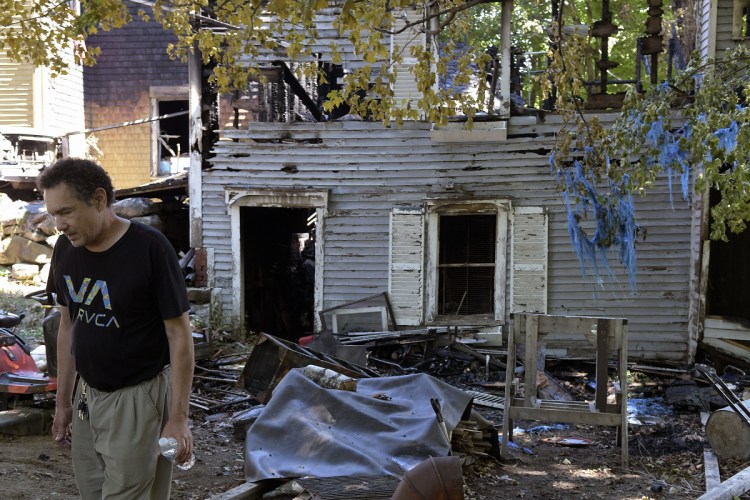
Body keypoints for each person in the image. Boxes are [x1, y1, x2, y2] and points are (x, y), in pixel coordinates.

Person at [40, 157, 194, 499]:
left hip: (137, 398)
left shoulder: (150, 249)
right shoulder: (66, 249)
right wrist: (62, 402)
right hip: (87, 394)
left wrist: (179, 417)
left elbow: (179, 335)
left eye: (66, 211)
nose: (58, 224)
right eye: (53, 214)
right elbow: (68, 326)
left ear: (98, 200)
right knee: (92, 491)